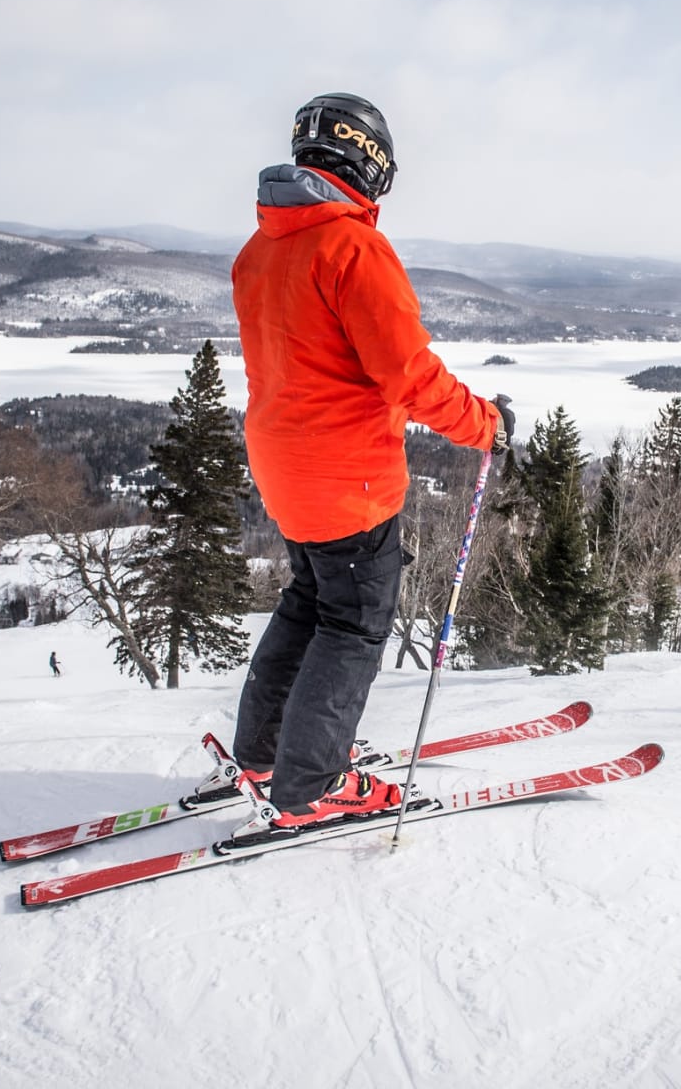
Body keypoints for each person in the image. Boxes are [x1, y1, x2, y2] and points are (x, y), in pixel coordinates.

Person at [230, 92, 514, 831]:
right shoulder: (352, 248)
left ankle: (264, 754)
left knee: (309, 600)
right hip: (346, 480)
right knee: (353, 623)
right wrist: (485, 424)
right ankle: (311, 783)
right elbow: (409, 375)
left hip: (286, 469)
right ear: (370, 162)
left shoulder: (263, 248)